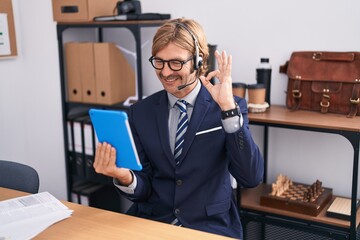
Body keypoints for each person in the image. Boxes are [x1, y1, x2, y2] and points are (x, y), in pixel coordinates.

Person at [93, 18, 264, 239]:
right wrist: (124, 176)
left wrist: (227, 109)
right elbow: (144, 186)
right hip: (154, 222)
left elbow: (251, 177)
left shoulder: (230, 107)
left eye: (175, 63)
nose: (165, 72)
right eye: (159, 62)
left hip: (209, 226)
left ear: (199, 61)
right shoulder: (140, 112)